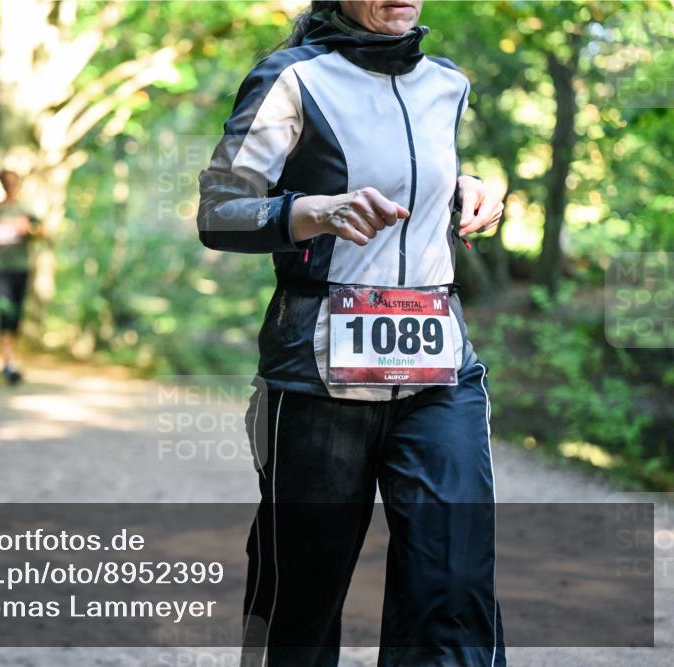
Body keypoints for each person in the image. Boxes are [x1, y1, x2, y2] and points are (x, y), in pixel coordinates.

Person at [196, 2, 506, 666]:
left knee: (453, 585)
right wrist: (314, 210)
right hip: (317, 373)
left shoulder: (446, 84)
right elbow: (221, 209)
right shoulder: (294, 78)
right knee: (302, 600)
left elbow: (412, 173)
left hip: (439, 368)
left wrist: (467, 189)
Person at [0, 169, 42, 385]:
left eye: (14, 182)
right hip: (0, 268)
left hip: (21, 267)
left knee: (16, 315)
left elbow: (42, 231)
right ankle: (8, 363)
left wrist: (28, 230)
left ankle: (12, 358)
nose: (11, 186)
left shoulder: (25, 209)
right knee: (5, 311)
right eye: (7, 182)